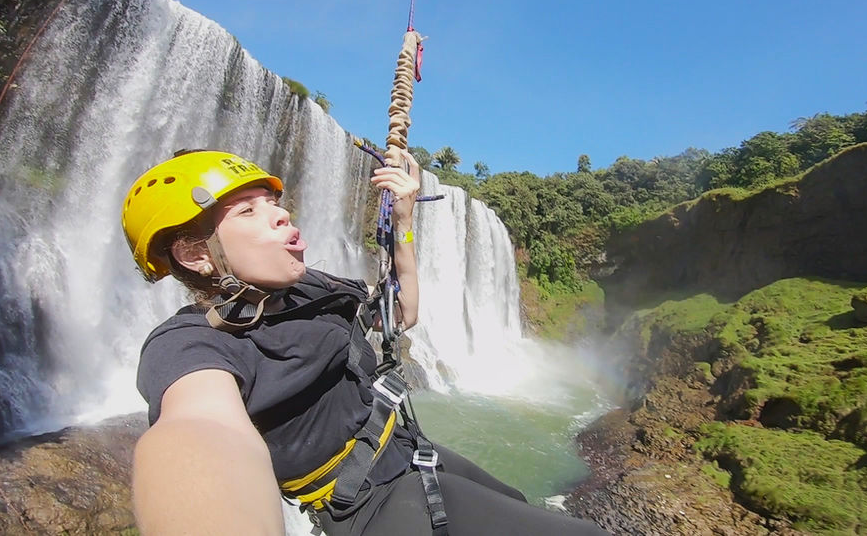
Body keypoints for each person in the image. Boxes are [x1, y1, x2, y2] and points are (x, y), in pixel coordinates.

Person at [122, 149, 609, 535]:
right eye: (248, 210)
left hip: (409, 451)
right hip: (373, 504)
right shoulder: (191, 342)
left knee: (518, 503)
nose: (281, 214)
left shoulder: (309, 289)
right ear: (194, 253)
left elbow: (401, 313)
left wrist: (403, 222)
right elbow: (198, 432)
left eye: (273, 203)